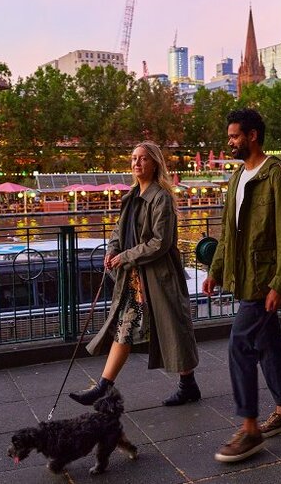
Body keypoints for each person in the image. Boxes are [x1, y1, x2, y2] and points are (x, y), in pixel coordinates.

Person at [202, 108, 281, 463]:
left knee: (239, 345)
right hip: (243, 276)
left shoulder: (277, 176)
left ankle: (249, 428)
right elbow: (229, 232)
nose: (229, 142)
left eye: (234, 136)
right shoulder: (237, 177)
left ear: (253, 136)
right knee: (267, 344)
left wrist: (280, 282)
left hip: (263, 281)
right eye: (229, 137)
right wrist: (215, 269)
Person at [69, 141, 201, 407]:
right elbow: (118, 232)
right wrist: (112, 250)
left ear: (154, 163)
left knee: (173, 330)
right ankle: (103, 386)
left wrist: (124, 257)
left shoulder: (160, 197)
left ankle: (188, 385)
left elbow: (160, 242)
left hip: (158, 277)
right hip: (134, 278)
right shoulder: (131, 196)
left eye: (142, 158)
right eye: (133, 158)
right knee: (124, 328)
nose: (136, 163)